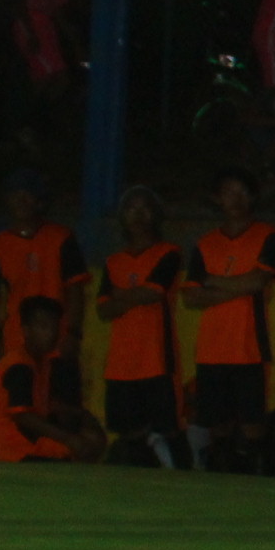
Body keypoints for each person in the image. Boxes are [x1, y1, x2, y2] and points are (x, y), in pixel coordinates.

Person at [179, 169, 275, 473]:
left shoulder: (269, 236)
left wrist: (212, 281)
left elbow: (258, 281)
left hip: (249, 346)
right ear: (217, 198)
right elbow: (190, 297)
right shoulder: (205, 244)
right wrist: (241, 285)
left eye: (242, 192)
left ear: (253, 197)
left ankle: (258, 480)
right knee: (218, 426)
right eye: (228, 192)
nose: (235, 199)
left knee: (253, 424)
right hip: (212, 348)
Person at [94, 184, 190, 468]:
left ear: (157, 215)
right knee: (129, 432)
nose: (138, 215)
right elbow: (103, 308)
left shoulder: (168, 253)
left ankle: (186, 478)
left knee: (169, 428)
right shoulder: (114, 262)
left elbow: (153, 292)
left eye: (145, 208)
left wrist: (121, 296)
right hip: (121, 361)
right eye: (131, 208)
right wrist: (131, 297)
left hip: (156, 358)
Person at [0, 170, 88, 357]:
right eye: (15, 195)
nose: (21, 201)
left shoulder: (61, 238)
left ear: (39, 201)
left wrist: (73, 334)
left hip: (59, 342)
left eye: (27, 195)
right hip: (16, 345)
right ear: (7, 200)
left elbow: (76, 289)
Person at [0, 295, 105, 463]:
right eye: (43, 327)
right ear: (26, 330)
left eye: (55, 327)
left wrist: (80, 414)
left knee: (90, 437)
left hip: (27, 438)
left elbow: (45, 406)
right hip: (15, 447)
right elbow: (23, 417)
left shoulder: (43, 361)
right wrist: (68, 439)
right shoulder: (19, 366)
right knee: (85, 446)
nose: (52, 334)